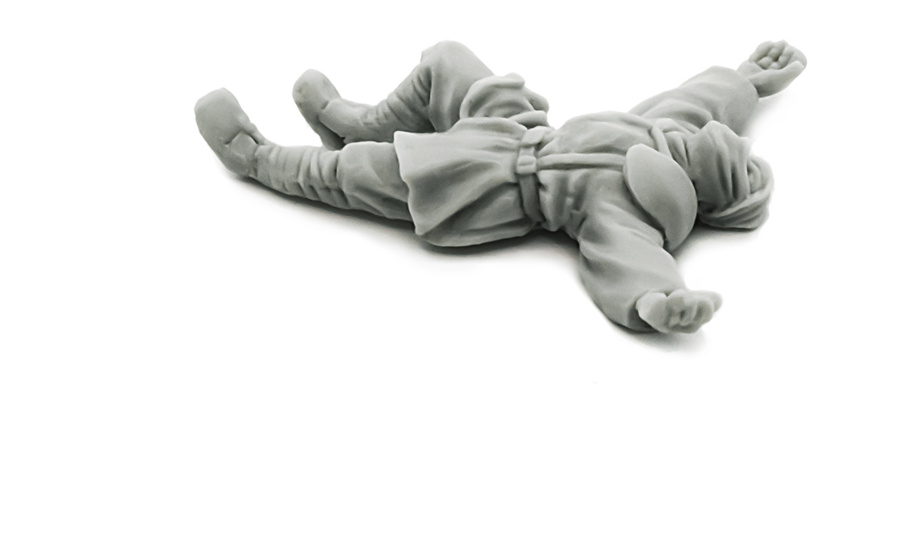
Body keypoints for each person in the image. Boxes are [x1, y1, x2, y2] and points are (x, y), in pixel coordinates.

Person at [195, 39, 806, 335]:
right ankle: (355, 122)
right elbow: (702, 99)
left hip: (490, 181)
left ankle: (257, 157)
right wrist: (749, 79)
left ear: (699, 187)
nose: (704, 135)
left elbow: (629, 263)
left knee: (362, 176)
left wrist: (658, 303)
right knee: (447, 60)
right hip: (519, 124)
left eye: (711, 152)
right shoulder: (665, 128)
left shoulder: (631, 210)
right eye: (714, 138)